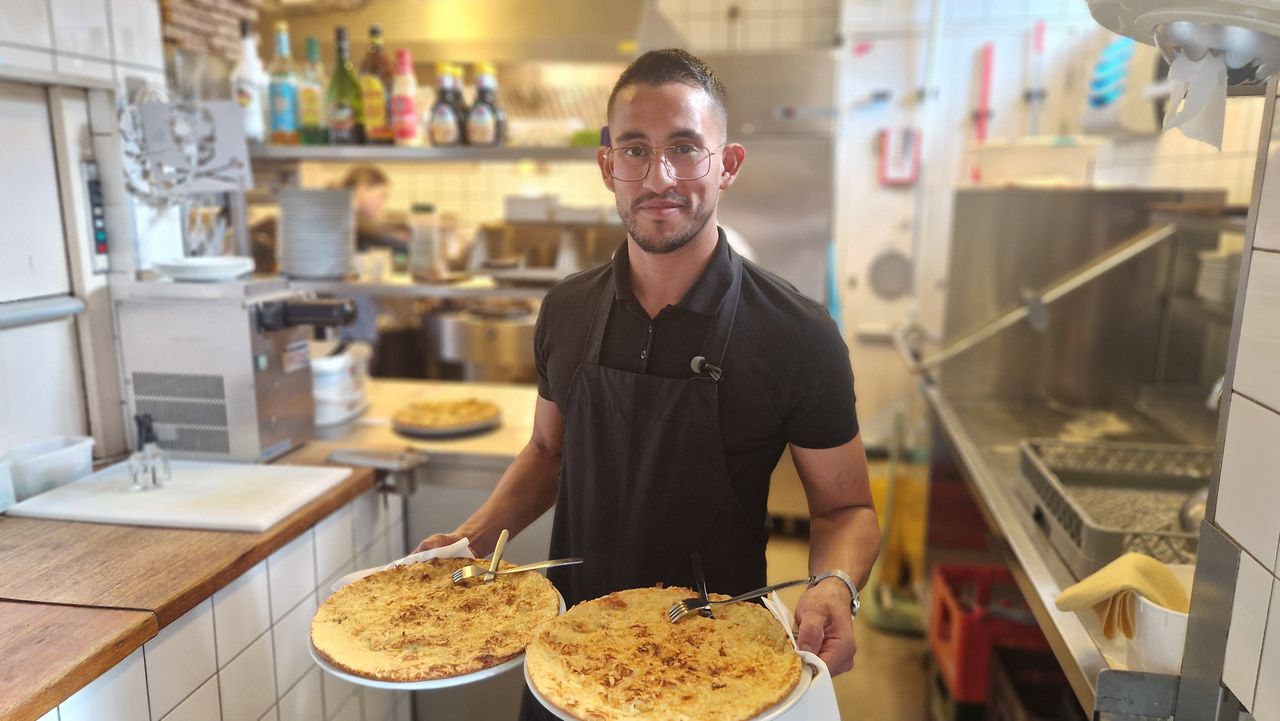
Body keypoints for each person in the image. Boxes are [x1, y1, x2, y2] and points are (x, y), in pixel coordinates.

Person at [414, 49, 879, 718]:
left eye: (685, 148)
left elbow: (846, 508)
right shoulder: (566, 310)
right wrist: (477, 535)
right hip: (567, 655)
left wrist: (835, 582)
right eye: (635, 149)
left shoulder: (796, 334)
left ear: (728, 164)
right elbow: (548, 452)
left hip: (717, 666)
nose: (659, 176)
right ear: (609, 167)